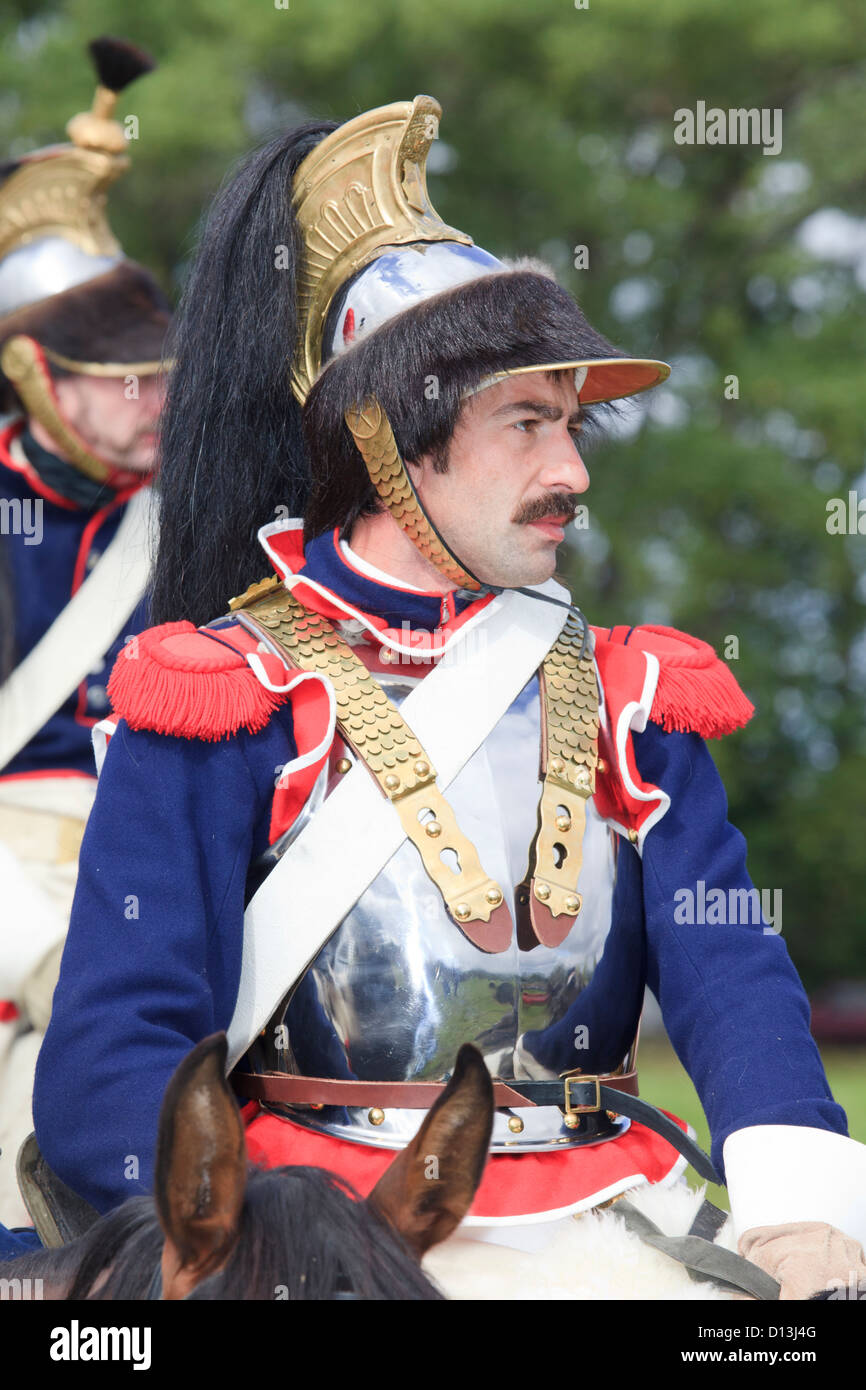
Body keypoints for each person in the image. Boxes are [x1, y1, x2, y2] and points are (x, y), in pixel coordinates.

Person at [29, 96, 866, 1293]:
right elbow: (115, 1058)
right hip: (316, 1228)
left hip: (610, 1201)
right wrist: (250, 1241)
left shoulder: (629, 689)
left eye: (573, 427)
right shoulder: (219, 692)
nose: (571, 470)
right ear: (385, 436)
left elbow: (732, 978)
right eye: (527, 423)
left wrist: (795, 1209)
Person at [0, 37, 169, 1226]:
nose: (151, 400)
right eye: (120, 377)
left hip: (147, 841)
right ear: (29, 367)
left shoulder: (188, 522)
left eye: (163, 373)